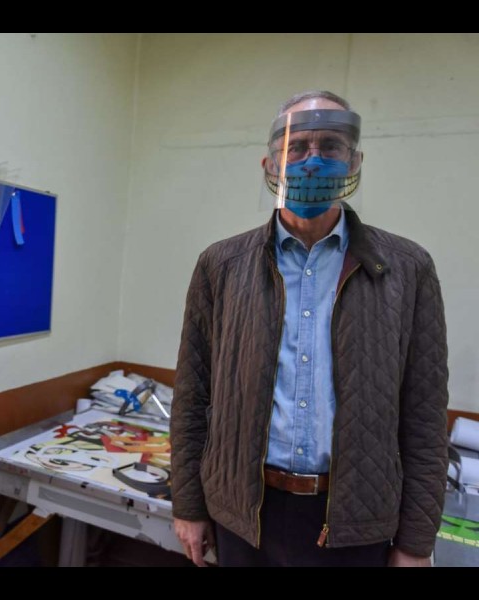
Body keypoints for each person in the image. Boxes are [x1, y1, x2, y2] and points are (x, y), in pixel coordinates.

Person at [171, 90, 449, 567]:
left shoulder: (408, 268)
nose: (312, 161)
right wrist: (189, 504)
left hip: (357, 521)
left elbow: (424, 415)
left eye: (330, 146)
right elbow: (193, 396)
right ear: (270, 164)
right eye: (297, 147)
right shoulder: (221, 265)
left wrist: (415, 542)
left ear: (354, 160)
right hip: (244, 514)